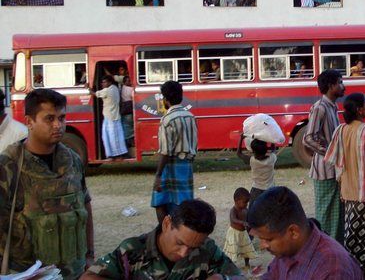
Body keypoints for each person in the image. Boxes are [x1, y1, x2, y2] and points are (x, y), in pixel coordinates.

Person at [0, 89, 94, 279]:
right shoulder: (9, 165)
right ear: (29, 121)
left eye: (62, 117)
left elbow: (84, 205)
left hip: (72, 272)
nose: (58, 125)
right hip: (26, 273)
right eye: (49, 119)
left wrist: (89, 255)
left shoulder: (72, 160)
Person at [82, 199, 243, 280]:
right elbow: (88, 277)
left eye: (193, 247)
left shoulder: (207, 250)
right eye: (179, 242)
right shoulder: (133, 250)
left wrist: (222, 278)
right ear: (167, 223)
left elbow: (238, 277)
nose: (183, 253)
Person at [325, 93, 365, 272]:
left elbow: (335, 159)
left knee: (353, 234)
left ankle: (354, 269)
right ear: (360, 110)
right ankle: (362, 270)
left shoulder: (341, 130)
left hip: (349, 191)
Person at [246, 186, 363, 280]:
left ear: (293, 232)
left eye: (268, 240)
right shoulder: (287, 249)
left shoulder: (332, 268)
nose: (262, 245)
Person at [303, 69, 345, 243]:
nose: (343, 86)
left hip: (332, 170)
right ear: (331, 86)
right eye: (340, 82)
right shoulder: (320, 108)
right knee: (326, 215)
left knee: (336, 216)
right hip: (325, 171)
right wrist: (331, 153)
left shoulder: (331, 107)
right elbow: (308, 138)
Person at [152, 81, 198, 224]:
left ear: (166, 99)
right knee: (184, 204)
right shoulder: (190, 117)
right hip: (186, 166)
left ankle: (167, 234)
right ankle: (183, 233)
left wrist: (158, 175)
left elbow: (165, 151)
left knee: (159, 201)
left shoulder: (167, 119)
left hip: (170, 165)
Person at [90, 75, 128, 160]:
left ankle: (118, 155)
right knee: (112, 136)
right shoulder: (114, 88)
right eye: (102, 82)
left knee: (112, 137)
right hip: (112, 116)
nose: (102, 84)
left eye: (104, 82)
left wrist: (87, 88)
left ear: (110, 82)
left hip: (111, 117)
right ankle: (113, 154)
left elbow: (94, 94)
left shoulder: (107, 91)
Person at [237, 135, 277, 205]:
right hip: (270, 190)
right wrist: (271, 139)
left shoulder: (252, 161)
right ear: (265, 150)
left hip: (256, 190)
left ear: (253, 151)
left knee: (253, 211)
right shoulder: (272, 158)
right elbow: (273, 149)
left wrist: (241, 139)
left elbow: (239, 153)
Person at [224, 188, 257, 269]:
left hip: (243, 233)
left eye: (247, 203)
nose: (246, 204)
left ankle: (247, 264)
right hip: (234, 233)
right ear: (236, 200)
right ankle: (230, 266)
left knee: (246, 249)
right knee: (233, 250)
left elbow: (249, 217)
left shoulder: (245, 209)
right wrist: (242, 222)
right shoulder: (234, 210)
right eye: (244, 202)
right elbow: (233, 219)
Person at [120, 76, 135, 153]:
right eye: (128, 81)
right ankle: (131, 145)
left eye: (130, 81)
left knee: (125, 129)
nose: (129, 82)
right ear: (125, 82)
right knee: (131, 130)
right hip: (129, 110)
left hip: (124, 110)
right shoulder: (131, 89)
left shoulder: (121, 88)